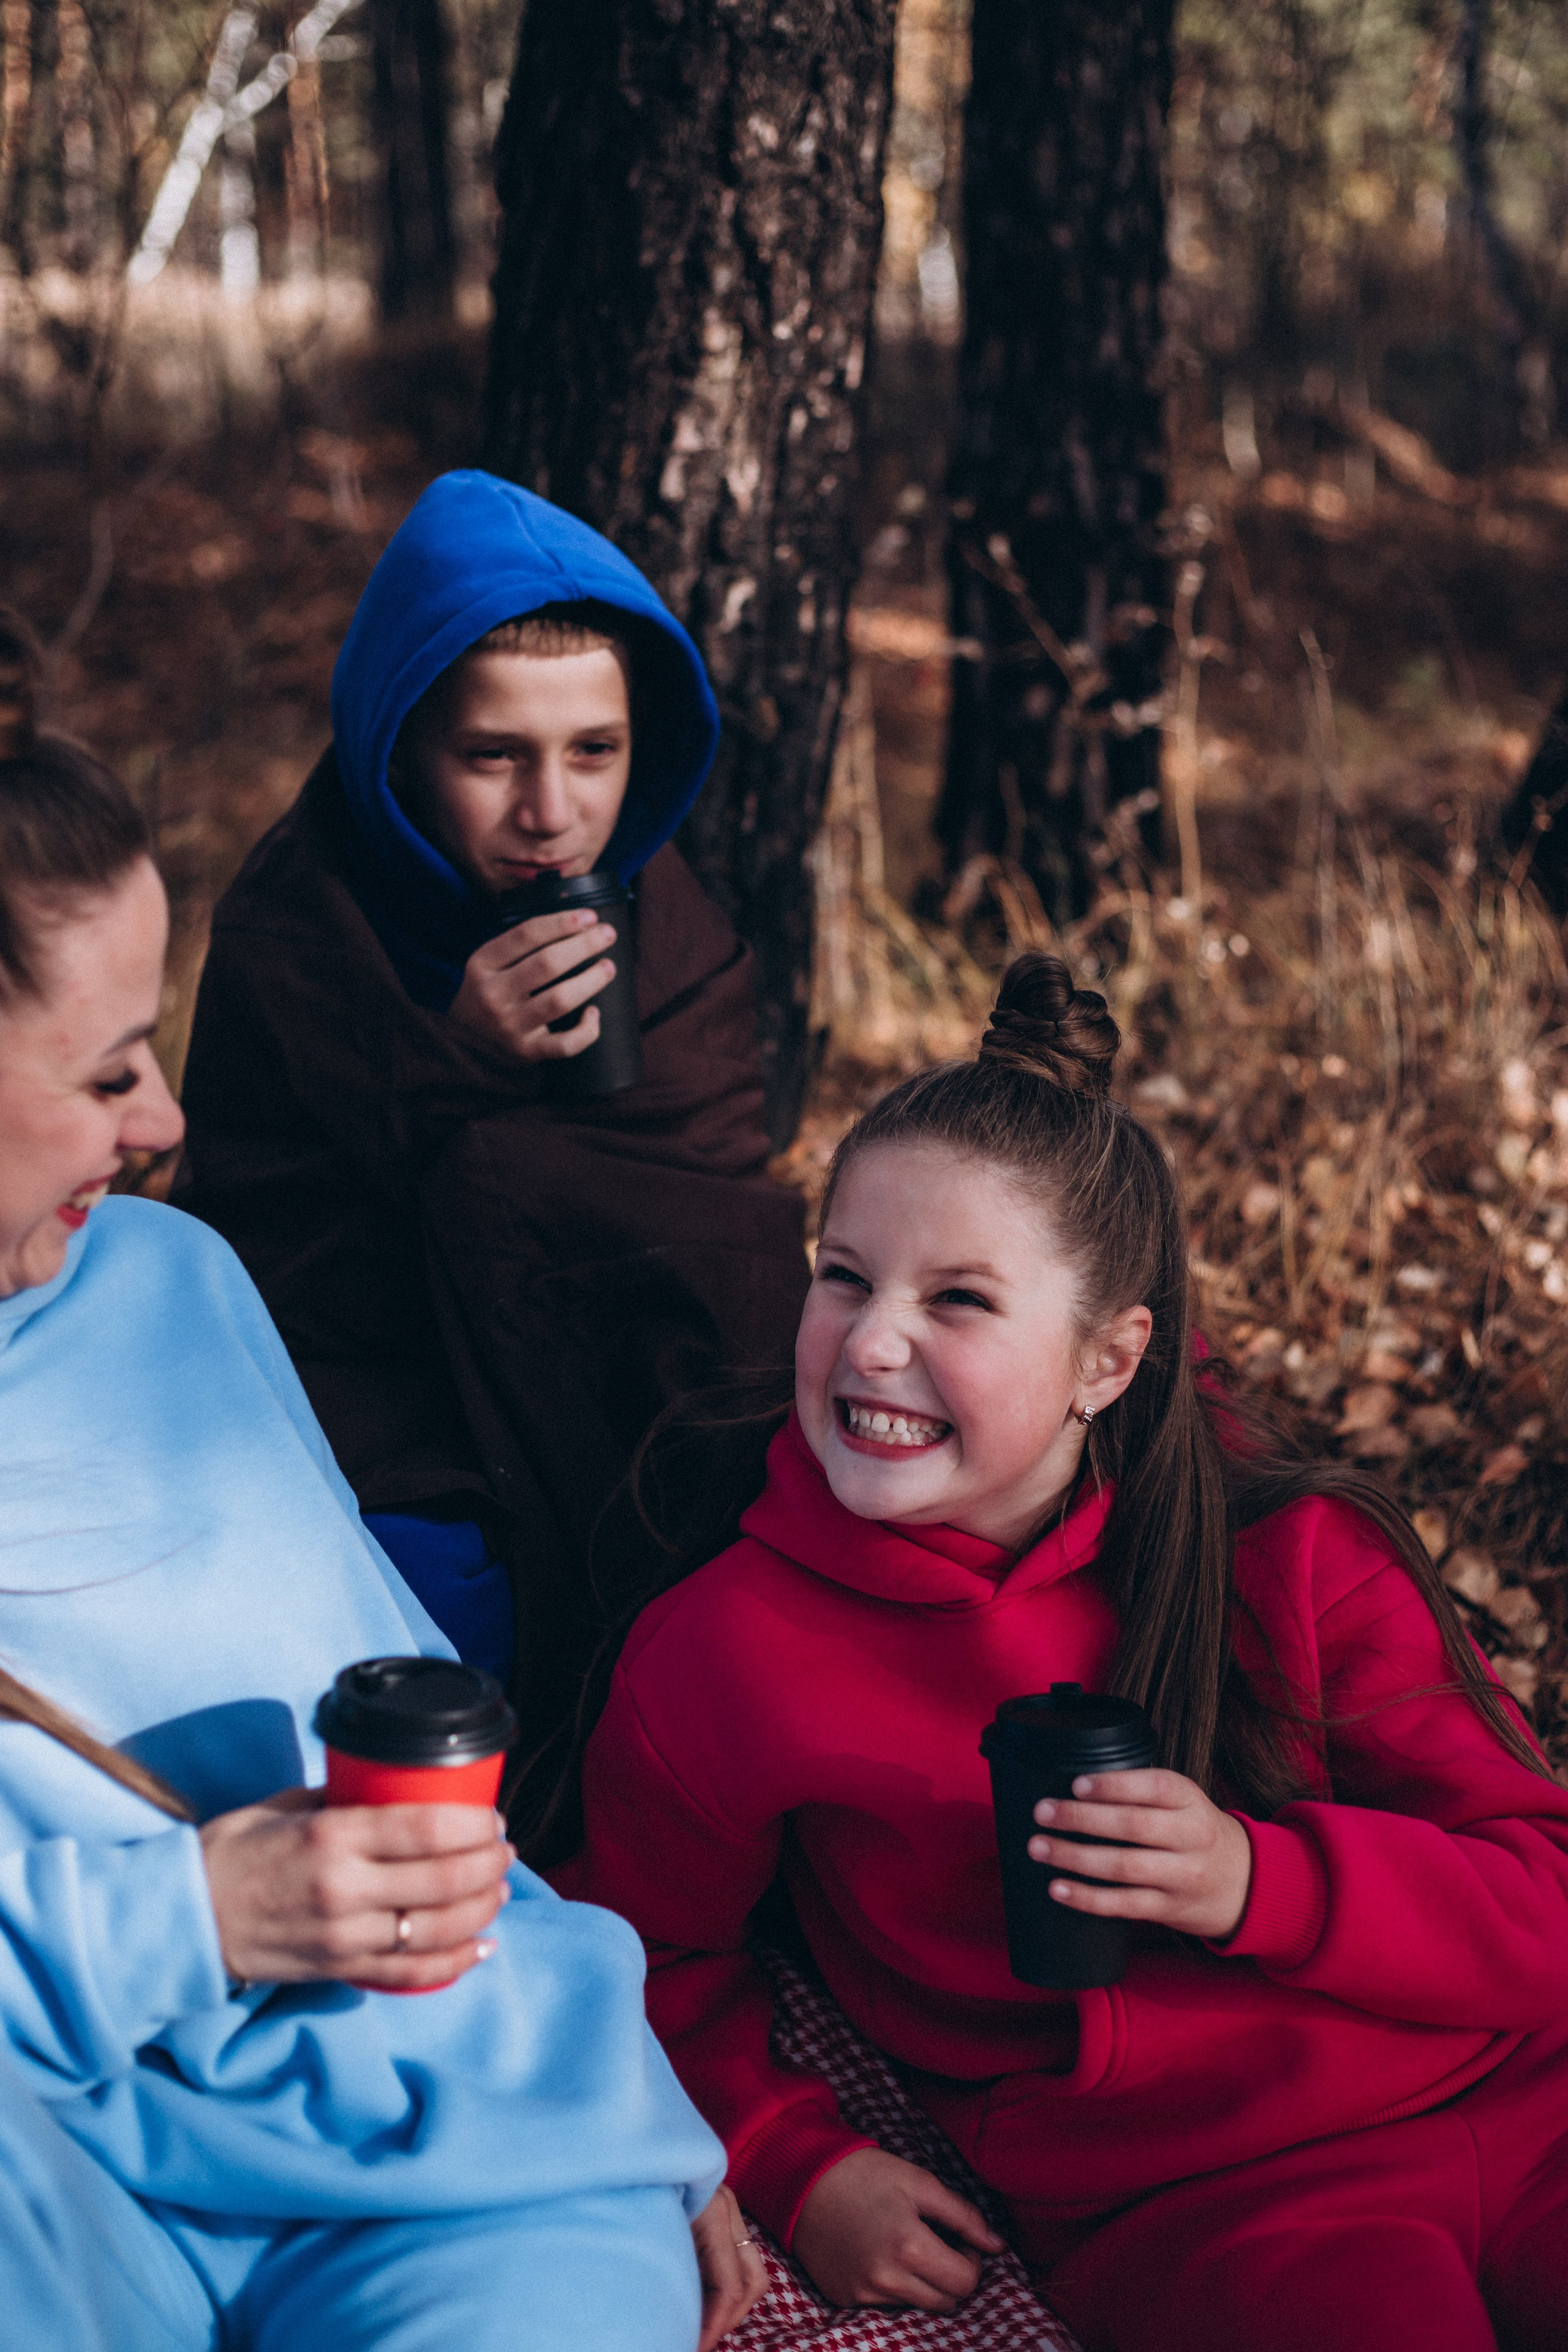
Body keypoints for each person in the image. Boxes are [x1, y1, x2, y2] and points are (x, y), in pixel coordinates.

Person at [555, 951, 1568, 2352]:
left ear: (1109, 1360)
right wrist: (797, 2158)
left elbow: (1545, 1907)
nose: (874, 1341)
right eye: (842, 1278)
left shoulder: (1290, 1553)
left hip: (1522, 2099)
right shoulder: (725, 1653)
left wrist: (1252, 1880)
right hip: (1212, 2206)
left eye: (958, 1301)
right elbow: (637, 1955)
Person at [0, 624, 764, 2350]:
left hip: (434, 2116)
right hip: (62, 2158)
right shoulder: (317, 928)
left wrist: (624, 2085)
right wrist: (191, 1918)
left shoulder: (167, 1286)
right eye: (109, 1067)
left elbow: (396, 1704)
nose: (162, 1119)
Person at [175, 471, 808, 1819]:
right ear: (401, 748)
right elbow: (253, 1253)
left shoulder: (669, 924)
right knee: (412, 1615)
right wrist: (443, 1065)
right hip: (378, 1403)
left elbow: (719, 1217)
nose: (553, 814)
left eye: (594, 751)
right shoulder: (304, 929)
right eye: (493, 757)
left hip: (623, 1391)